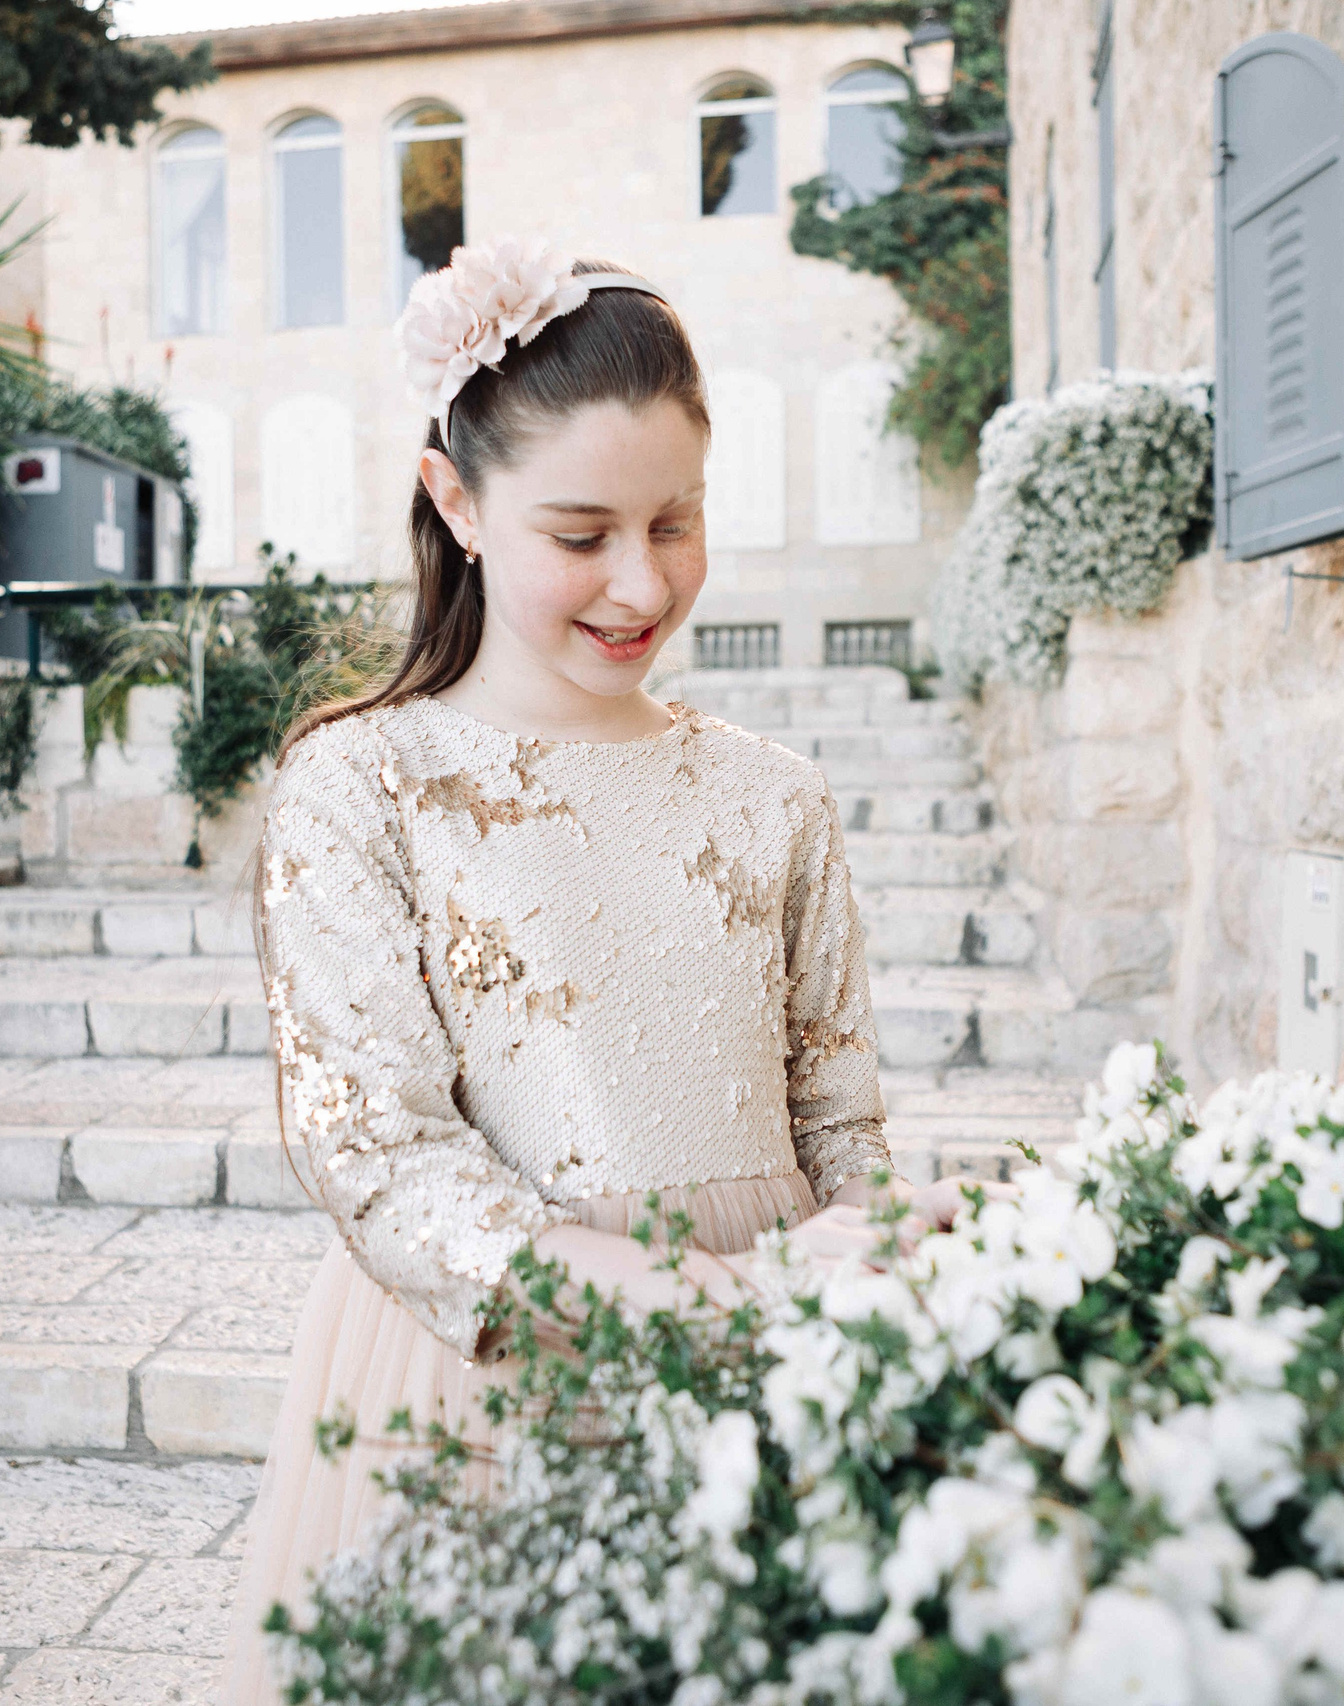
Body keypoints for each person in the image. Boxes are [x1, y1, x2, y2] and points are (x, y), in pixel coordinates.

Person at [218, 239, 969, 1705]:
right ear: (459, 502)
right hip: (490, 1367)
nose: (643, 580)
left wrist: (883, 1260)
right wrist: (727, 1308)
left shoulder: (776, 796)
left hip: (779, 1371)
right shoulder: (362, 783)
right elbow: (381, 1160)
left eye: (676, 520)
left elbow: (839, 1125)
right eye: (583, 532)